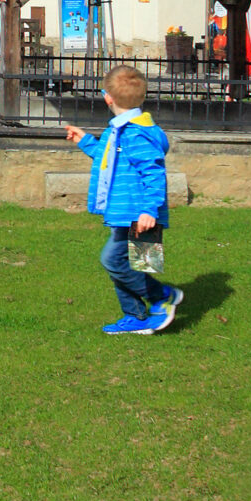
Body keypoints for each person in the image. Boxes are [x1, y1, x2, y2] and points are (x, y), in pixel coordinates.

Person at [60, 64, 179, 337]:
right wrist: (85, 141)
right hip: (131, 212)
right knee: (134, 266)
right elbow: (109, 157)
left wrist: (149, 209)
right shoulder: (124, 130)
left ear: (107, 97)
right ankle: (138, 317)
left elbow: (154, 172)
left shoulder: (136, 133)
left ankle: (164, 296)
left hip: (138, 213)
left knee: (113, 261)